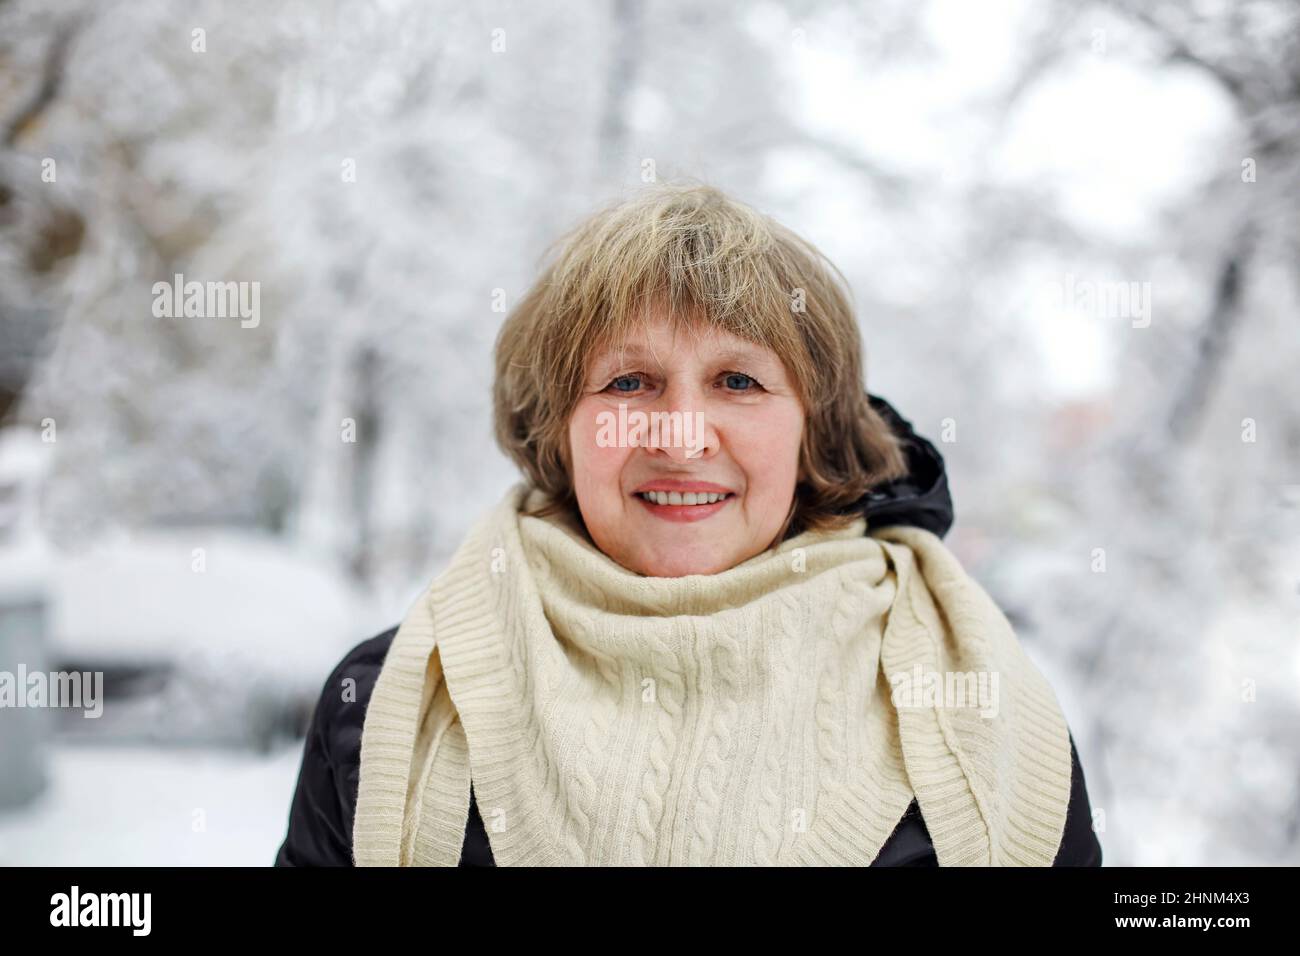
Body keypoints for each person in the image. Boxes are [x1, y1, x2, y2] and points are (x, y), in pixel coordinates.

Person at [275, 181, 1103, 867]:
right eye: (629, 383)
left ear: (813, 430)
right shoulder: (386, 698)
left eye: (738, 381)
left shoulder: (975, 703)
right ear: (559, 428)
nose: (679, 434)